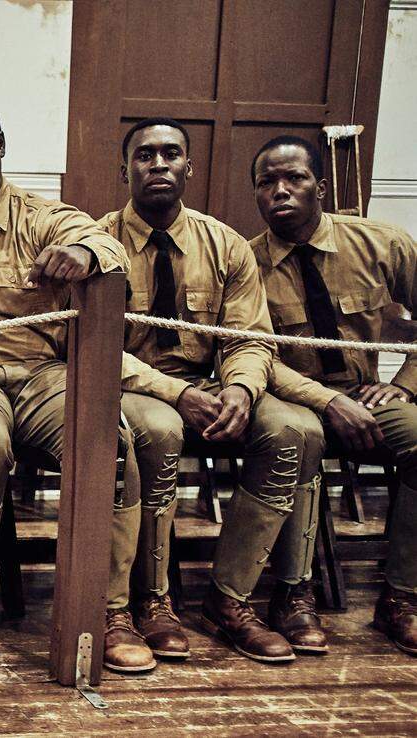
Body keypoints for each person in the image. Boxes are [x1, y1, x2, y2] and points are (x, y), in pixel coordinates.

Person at [0, 94, 152, 672]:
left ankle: (108, 610)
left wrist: (84, 253)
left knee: (107, 441)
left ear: (0, 148)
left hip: (42, 375)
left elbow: (108, 245)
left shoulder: (41, 217)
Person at [103, 118, 323, 665]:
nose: (158, 165)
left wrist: (243, 390)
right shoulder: (98, 242)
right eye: (144, 155)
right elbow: (96, 347)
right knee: (159, 427)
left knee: (293, 428)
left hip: (215, 384)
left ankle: (230, 600)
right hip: (135, 386)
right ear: (124, 168)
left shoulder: (224, 245)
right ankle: (150, 600)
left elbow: (250, 338)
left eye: (171, 154)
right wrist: (176, 395)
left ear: (189, 167)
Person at [251, 134, 417, 657]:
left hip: (368, 403)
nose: (280, 190)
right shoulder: (245, 262)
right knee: (295, 438)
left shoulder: (383, 244)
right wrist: (324, 401)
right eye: (266, 182)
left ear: (320, 186)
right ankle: (293, 594)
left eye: (294, 178)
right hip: (292, 401)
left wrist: (402, 385)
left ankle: (401, 598)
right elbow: (252, 356)